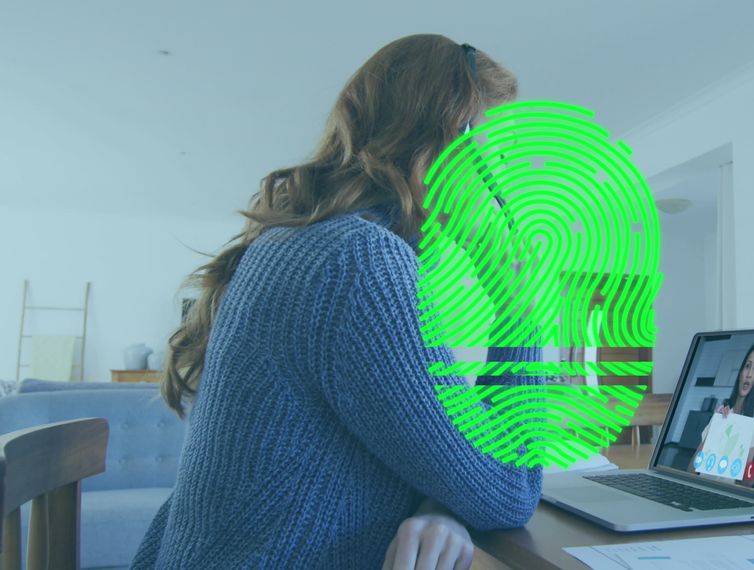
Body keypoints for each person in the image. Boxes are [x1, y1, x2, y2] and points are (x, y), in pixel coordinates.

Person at [131, 35, 539, 570]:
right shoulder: (358, 261)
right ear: (452, 142)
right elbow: (509, 494)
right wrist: (520, 311)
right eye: (496, 152)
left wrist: (442, 503)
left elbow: (448, 457)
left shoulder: (306, 242)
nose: (501, 180)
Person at [688, 341, 754, 487]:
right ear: (740, 372)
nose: (749, 374)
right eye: (747, 366)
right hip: (701, 487)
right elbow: (691, 470)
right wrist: (715, 429)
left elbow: (744, 483)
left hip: (726, 494)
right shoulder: (723, 409)